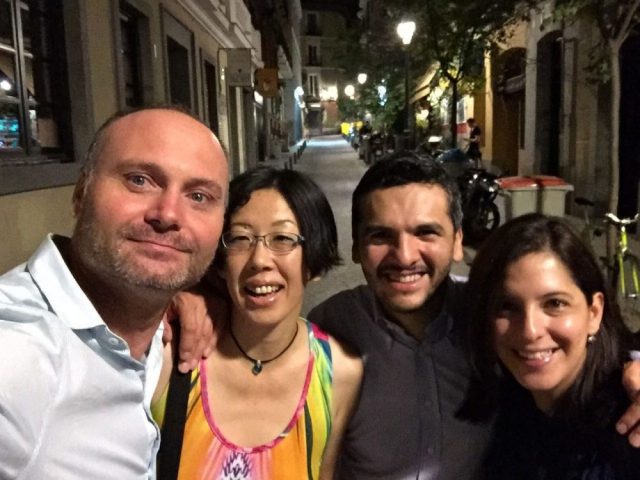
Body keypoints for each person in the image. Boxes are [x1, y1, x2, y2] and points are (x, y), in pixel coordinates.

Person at [0, 106, 228, 479]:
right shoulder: (18, 355)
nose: (168, 214)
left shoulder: (153, 328)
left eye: (199, 197)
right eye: (140, 180)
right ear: (81, 193)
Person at [153, 167, 362, 479]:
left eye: (283, 239)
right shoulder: (174, 354)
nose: (260, 260)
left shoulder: (339, 374)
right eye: (240, 238)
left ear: (314, 262)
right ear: (220, 261)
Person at [307, 153, 493, 479]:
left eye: (426, 233)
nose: (405, 257)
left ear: (457, 241)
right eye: (381, 236)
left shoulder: (491, 318)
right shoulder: (328, 328)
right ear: (356, 247)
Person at [463, 213, 640, 479]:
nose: (530, 331)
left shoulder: (629, 424)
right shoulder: (508, 410)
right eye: (507, 306)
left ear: (594, 313)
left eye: (555, 304)